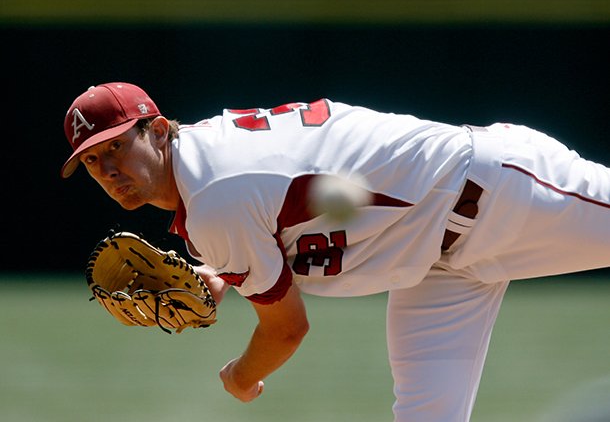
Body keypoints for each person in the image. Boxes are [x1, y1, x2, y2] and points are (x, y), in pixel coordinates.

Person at [61, 82, 610, 422]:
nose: (109, 170)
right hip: (432, 264)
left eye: (117, 147)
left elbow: (286, 330)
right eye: (91, 161)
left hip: (499, 192)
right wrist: (224, 276)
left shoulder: (213, 198)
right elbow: (295, 204)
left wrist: (241, 376)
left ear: (156, 129)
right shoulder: (205, 158)